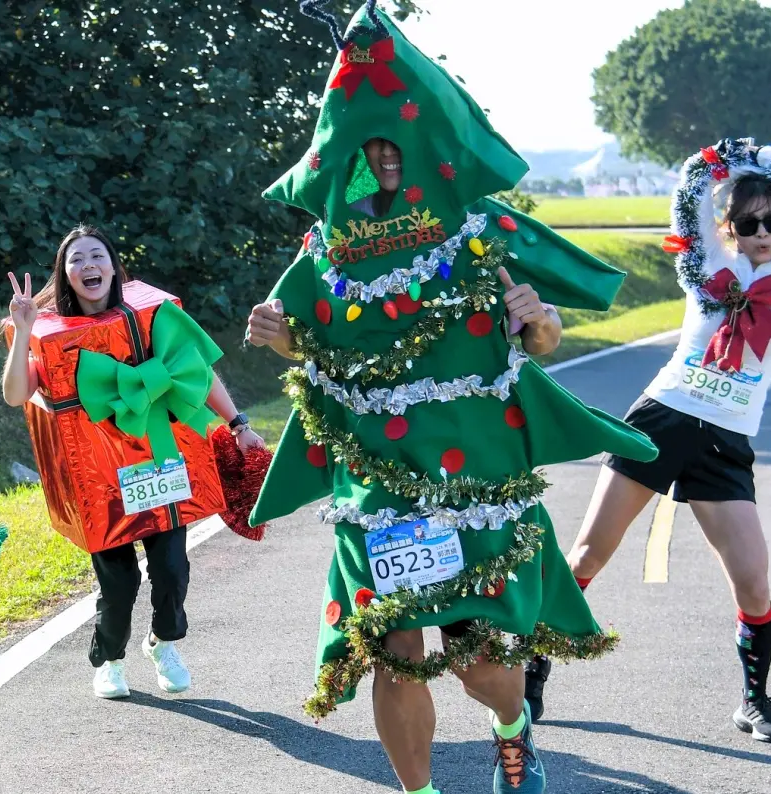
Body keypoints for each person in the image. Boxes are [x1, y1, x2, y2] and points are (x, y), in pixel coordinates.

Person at [243, 4, 656, 792]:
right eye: (370, 145)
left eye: (397, 142)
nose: (385, 156)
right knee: (393, 656)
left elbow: (542, 336)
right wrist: (279, 336)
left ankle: (512, 730)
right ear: (349, 154)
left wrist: (539, 326)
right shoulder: (324, 254)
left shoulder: (477, 233)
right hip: (377, 488)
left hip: (475, 481)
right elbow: (309, 344)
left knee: (484, 667)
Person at [533, 139, 771, 744]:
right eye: (747, 223)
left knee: (753, 580)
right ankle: (532, 662)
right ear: (729, 227)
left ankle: (754, 702)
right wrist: (741, 158)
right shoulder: (704, 272)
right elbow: (695, 180)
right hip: (661, 420)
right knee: (589, 554)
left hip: (727, 441)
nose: (760, 233)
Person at [1, 224, 265, 699]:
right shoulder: (56, 340)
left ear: (114, 266)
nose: (88, 266)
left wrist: (239, 425)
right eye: (76, 259)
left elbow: (194, 373)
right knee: (119, 583)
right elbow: (16, 393)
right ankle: (109, 658)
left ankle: (162, 644)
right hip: (99, 482)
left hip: (160, 466)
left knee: (171, 570)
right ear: (64, 274)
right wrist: (22, 334)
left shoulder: (149, 319)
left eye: (96, 255)